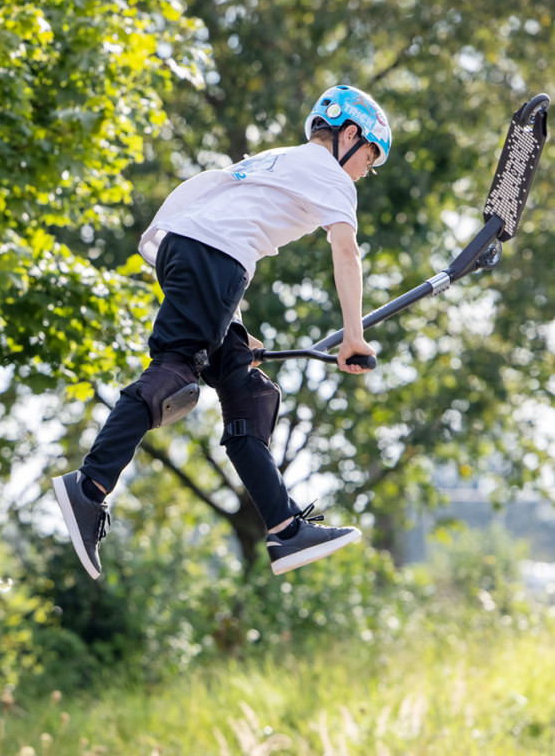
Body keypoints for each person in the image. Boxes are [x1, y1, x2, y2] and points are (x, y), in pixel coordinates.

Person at [52, 84, 392, 580]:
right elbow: (346, 253)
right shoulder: (334, 179)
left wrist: (233, 328)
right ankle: (90, 486)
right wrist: (353, 335)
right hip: (214, 257)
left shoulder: (278, 159)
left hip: (190, 252)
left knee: (244, 386)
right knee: (174, 371)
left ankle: (286, 529)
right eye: (371, 154)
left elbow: (226, 216)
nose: (368, 167)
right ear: (350, 135)